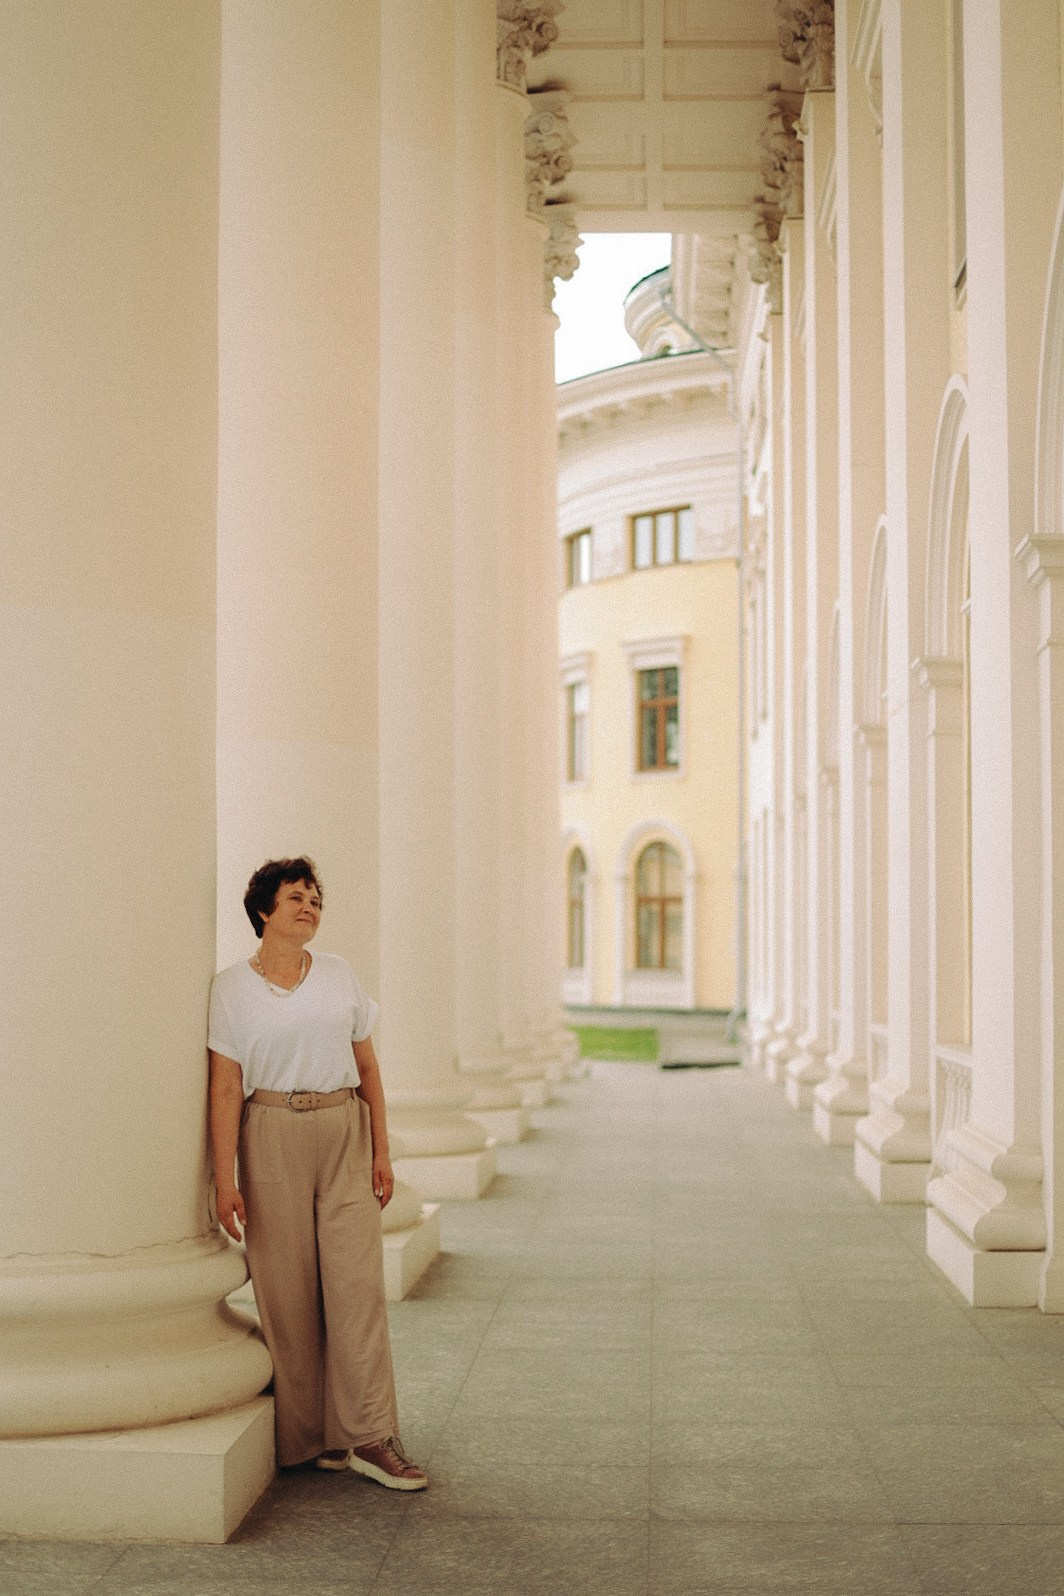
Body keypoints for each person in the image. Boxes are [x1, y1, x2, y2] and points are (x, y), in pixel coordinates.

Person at [208, 855, 427, 1490]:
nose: (310, 907)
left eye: (316, 899)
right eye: (297, 897)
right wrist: (227, 1179)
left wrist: (382, 1152)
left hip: (342, 1129)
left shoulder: (337, 975)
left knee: (357, 1287)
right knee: (287, 1289)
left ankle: (370, 1435)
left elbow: (370, 1070)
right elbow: (226, 1089)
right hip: (270, 1132)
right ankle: (308, 1437)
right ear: (263, 911)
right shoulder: (230, 989)